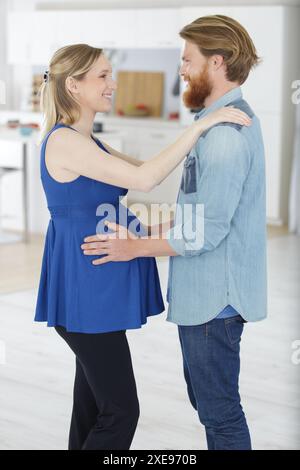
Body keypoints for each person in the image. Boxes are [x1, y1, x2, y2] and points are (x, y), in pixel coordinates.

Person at [34, 42, 250, 450]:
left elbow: (147, 173)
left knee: (93, 407)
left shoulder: (89, 141)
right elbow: (147, 179)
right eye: (103, 76)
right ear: (74, 86)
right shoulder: (65, 142)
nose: (113, 84)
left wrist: (187, 213)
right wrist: (201, 126)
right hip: (84, 289)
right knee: (120, 410)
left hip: (97, 287)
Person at [81, 15, 267, 450]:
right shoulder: (225, 120)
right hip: (214, 301)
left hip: (214, 302)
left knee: (220, 414)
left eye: (187, 59)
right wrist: (149, 227)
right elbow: (201, 211)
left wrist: (135, 248)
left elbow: (207, 231)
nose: (181, 69)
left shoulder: (222, 135)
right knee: (210, 404)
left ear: (216, 62)